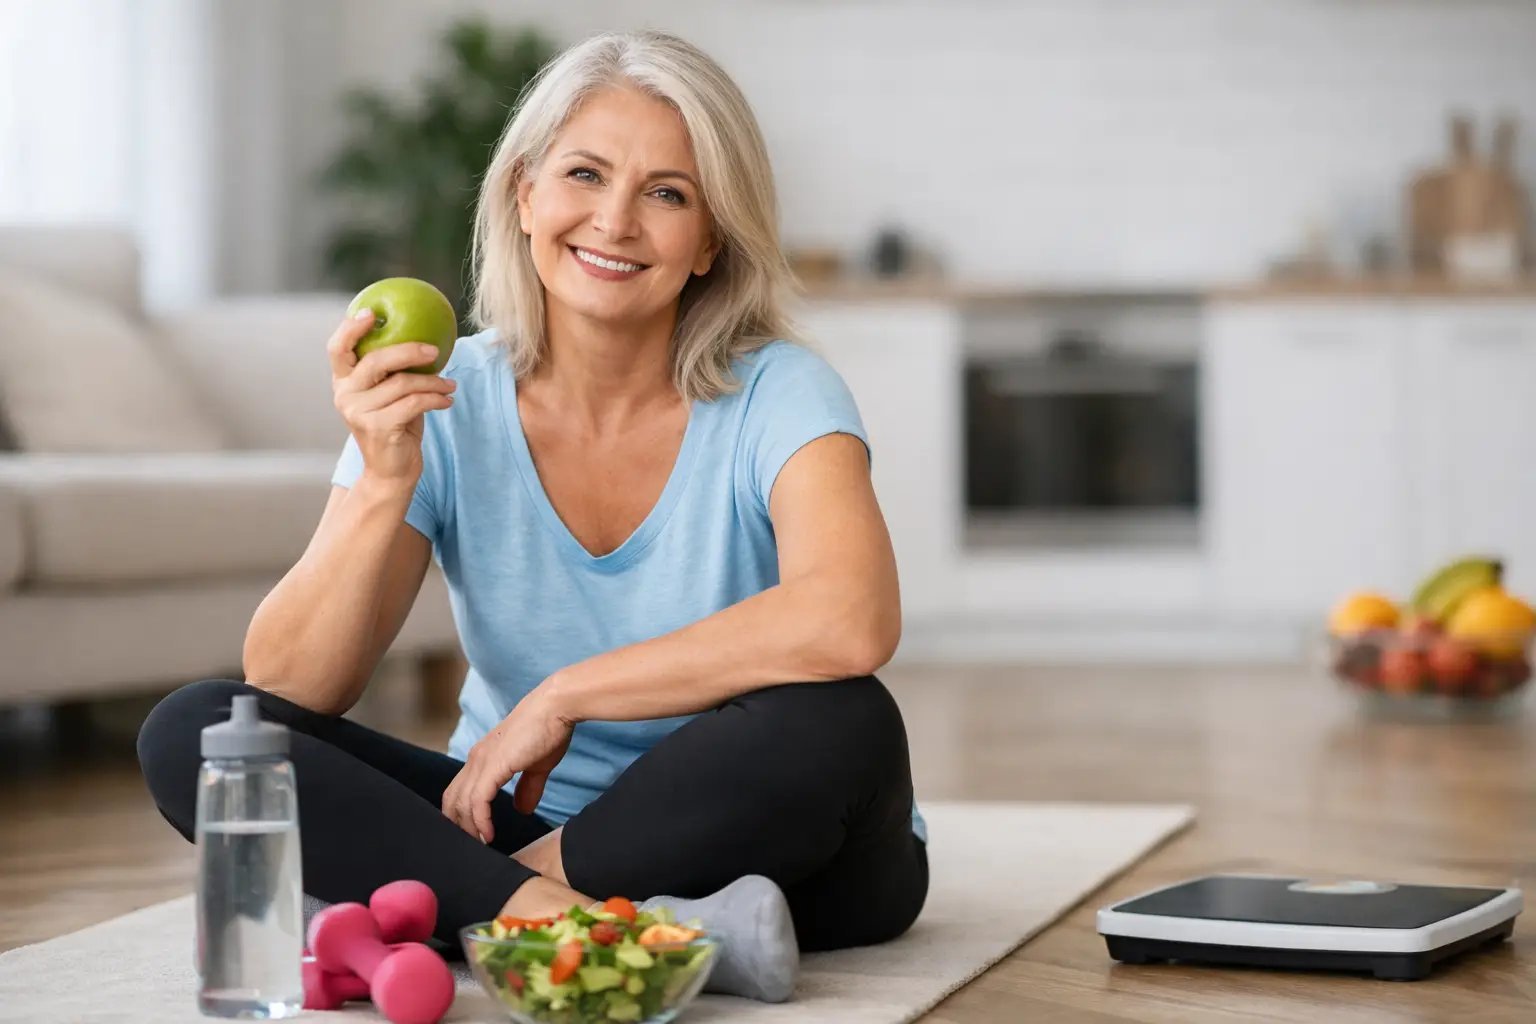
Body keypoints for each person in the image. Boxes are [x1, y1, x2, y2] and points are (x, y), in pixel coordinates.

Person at [137, 29, 927, 1003]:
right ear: (523, 195)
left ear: (711, 238)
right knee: (204, 727)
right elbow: (296, 681)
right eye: (584, 174)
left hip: (770, 833)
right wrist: (385, 481)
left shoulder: (781, 390)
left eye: (667, 193)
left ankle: (467, 910)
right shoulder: (443, 393)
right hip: (508, 824)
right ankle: (559, 921)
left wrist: (565, 694)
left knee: (841, 717)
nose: (616, 220)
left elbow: (851, 617)